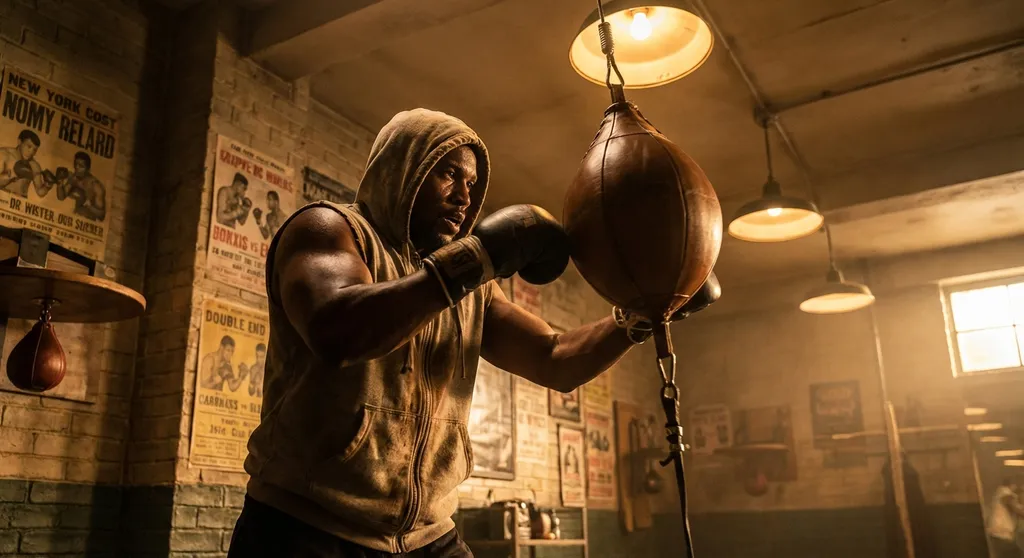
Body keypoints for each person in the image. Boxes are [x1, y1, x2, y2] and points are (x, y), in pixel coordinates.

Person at [228, 108, 715, 558]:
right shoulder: (328, 229)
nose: (464, 196)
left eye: (472, 183)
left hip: (428, 535)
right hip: (306, 527)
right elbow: (337, 329)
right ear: (404, 168)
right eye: (448, 173)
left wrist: (635, 316)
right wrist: (473, 260)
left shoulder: (471, 289)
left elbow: (554, 358)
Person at [0, 129, 54, 198]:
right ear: (19, 142)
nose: (31, 152)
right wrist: (13, 174)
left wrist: (48, 185)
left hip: (20, 202)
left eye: (34, 150)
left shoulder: (34, 166)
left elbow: (40, 192)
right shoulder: (4, 154)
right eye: (29, 146)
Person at [55, 151, 106, 221]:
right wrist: (59, 183)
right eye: (75, 164)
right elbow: (61, 197)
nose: (77, 168)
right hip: (75, 218)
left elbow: (101, 215)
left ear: (88, 169)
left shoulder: (96, 186)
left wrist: (88, 206)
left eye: (81, 166)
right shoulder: (74, 178)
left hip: (88, 222)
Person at [988, 478, 1024, 558]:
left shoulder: (1002, 493)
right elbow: (1019, 510)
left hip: (1000, 535)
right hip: (1001, 534)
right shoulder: (1005, 493)